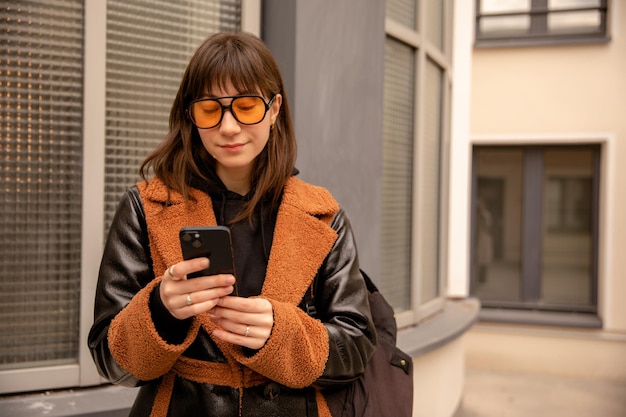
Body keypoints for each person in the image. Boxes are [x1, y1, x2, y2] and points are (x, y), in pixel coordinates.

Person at [88, 31, 376, 417]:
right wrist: (160, 309)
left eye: (246, 106)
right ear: (191, 115)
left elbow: (357, 347)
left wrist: (282, 334)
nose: (228, 127)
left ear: (274, 110)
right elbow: (111, 361)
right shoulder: (146, 208)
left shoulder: (321, 214)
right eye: (210, 109)